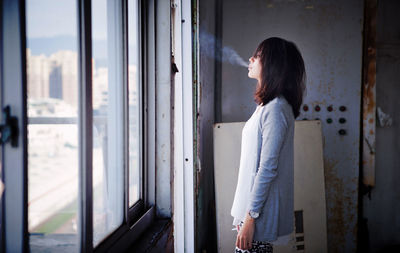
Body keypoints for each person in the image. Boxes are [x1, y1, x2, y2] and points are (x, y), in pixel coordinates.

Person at [231, 37, 306, 253]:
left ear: (273, 65)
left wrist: (250, 219)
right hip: (252, 215)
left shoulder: (276, 109)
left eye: (258, 56)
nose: (250, 59)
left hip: (257, 219)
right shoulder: (267, 106)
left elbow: (267, 169)